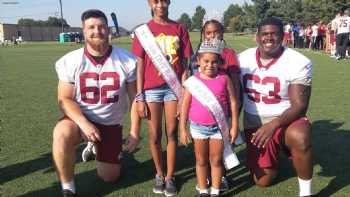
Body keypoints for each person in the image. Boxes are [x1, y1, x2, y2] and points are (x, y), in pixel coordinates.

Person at [52, 9, 138, 197]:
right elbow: (64, 99)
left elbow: (136, 99)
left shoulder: (127, 60)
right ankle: (68, 188)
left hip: (110, 124)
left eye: (101, 27)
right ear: (83, 31)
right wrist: (84, 123)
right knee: (61, 133)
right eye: (91, 27)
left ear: (108, 30)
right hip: (79, 120)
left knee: (110, 177)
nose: (96, 31)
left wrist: (134, 131)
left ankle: (96, 147)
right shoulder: (70, 60)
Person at [238, 17, 313, 197]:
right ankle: (279, 151)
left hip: (286, 119)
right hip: (254, 122)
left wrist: (273, 125)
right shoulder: (242, 59)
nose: (269, 38)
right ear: (257, 37)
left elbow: (300, 106)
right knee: (263, 181)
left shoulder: (298, 61)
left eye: (274, 34)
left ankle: (306, 192)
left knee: (300, 136)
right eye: (264, 34)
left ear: (283, 36)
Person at [131, 0, 193, 196]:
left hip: (173, 90)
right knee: (154, 135)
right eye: (156, 1)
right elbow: (139, 67)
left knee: (172, 133)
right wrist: (139, 97)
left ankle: (170, 177)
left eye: (164, 0)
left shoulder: (179, 28)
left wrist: (183, 94)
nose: (160, 4)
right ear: (150, 3)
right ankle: (159, 173)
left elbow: (185, 65)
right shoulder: (143, 31)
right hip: (151, 91)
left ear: (169, 2)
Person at [180, 39, 239, 197]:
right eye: (206, 61)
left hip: (218, 128)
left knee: (217, 160)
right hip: (198, 128)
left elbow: (233, 102)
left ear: (219, 62)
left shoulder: (224, 79)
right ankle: (203, 190)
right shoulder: (192, 82)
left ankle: (215, 190)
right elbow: (184, 106)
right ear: (198, 61)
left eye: (214, 62)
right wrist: (182, 130)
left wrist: (234, 125)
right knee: (201, 161)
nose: (210, 65)